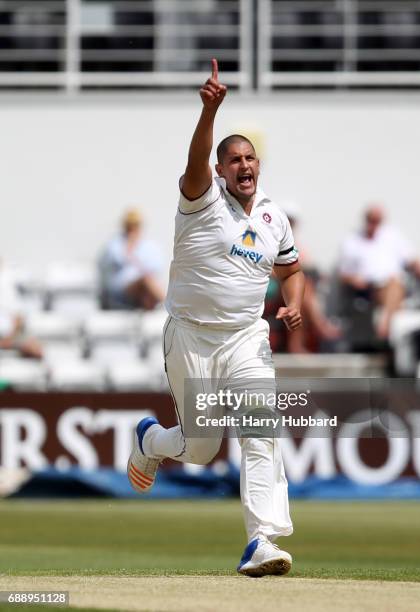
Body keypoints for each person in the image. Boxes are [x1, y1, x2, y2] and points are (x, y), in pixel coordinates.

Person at [127, 60, 305, 577]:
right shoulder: (201, 201)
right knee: (201, 449)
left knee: (260, 430)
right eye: (234, 160)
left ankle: (261, 541)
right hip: (191, 338)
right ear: (221, 170)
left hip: (248, 338)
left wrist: (291, 300)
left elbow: (292, 266)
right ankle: (151, 441)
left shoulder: (273, 215)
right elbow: (195, 160)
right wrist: (209, 112)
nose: (244, 166)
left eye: (250, 158)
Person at [264, 202, 340, 353]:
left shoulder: (292, 243)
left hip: (284, 288)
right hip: (270, 289)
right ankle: (319, 327)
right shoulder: (267, 240)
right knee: (302, 291)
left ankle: (299, 342)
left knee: (302, 293)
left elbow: (303, 265)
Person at [339, 204, 420, 339]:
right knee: (395, 289)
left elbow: (412, 259)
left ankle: (384, 323)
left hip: (394, 284)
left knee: (394, 285)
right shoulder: (353, 240)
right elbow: (344, 274)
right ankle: (388, 332)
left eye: (377, 220)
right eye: (371, 220)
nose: (374, 224)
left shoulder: (392, 236)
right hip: (369, 288)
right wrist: (355, 280)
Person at [99, 208, 165, 310]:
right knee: (145, 280)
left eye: (135, 225)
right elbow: (116, 260)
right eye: (130, 225)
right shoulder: (115, 244)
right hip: (121, 288)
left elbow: (156, 268)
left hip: (144, 288)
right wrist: (130, 247)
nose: (133, 229)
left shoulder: (149, 245)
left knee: (147, 288)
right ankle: (166, 304)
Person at [0, 260, 43, 359]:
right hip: (8, 337)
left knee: (34, 347)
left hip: (11, 336)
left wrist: (8, 340)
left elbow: (18, 318)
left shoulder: (6, 285)